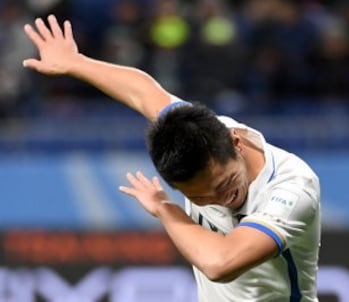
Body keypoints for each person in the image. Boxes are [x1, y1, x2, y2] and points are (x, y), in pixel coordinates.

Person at [23, 15, 321, 302]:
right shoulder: (190, 130)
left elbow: (220, 263)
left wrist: (165, 208)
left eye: (224, 183)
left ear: (235, 141)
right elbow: (143, 92)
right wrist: (76, 63)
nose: (220, 199)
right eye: (200, 198)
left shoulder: (292, 187)